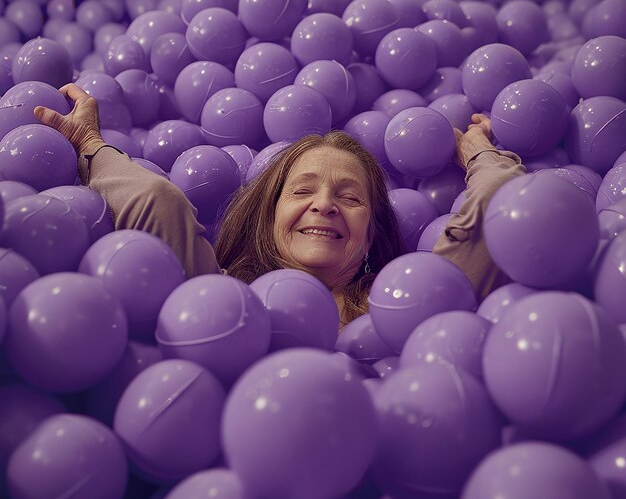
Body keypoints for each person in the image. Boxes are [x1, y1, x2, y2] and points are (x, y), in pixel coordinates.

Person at [34, 83, 526, 327]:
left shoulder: (408, 305)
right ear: (267, 217)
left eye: (350, 197)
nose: (325, 205)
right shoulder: (218, 299)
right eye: (302, 191)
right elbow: (157, 202)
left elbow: (508, 206)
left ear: (372, 232)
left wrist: (479, 150)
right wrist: (88, 144)